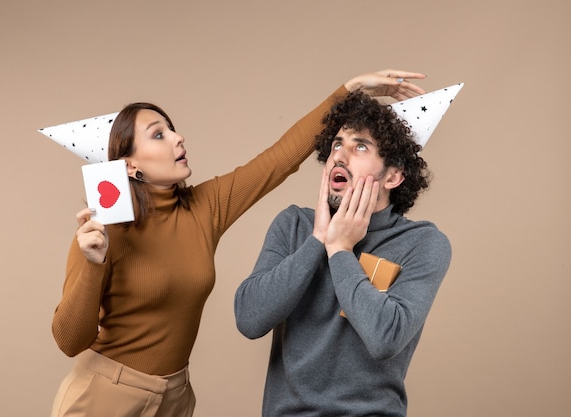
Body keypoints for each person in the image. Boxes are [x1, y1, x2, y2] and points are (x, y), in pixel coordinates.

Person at [49, 69, 427, 417]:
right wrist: (91, 263)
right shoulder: (102, 231)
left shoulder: (203, 207)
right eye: (158, 134)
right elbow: (70, 340)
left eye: (172, 128)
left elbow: (279, 160)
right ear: (132, 166)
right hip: (105, 395)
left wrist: (348, 90)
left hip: (175, 395)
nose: (178, 137)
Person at [234, 90, 452, 416]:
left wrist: (340, 249)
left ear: (392, 175)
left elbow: (385, 338)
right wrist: (318, 239)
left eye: (359, 145)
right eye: (337, 143)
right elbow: (250, 319)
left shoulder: (422, 243)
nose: (339, 155)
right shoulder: (294, 224)